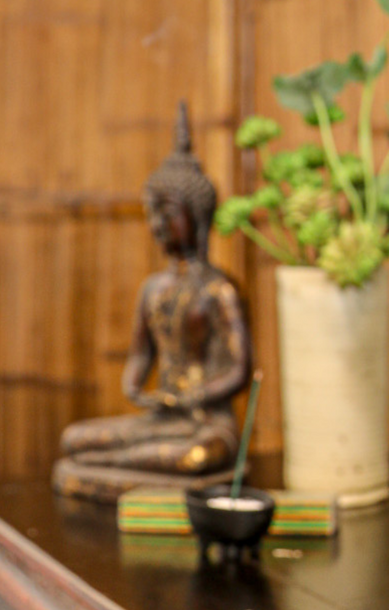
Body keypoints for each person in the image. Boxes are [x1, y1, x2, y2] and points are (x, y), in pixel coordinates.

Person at [53, 103, 252, 500]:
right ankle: (125, 461)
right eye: (152, 213)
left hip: (205, 422)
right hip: (162, 417)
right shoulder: (153, 288)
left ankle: (118, 464)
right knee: (74, 439)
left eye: (168, 213)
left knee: (195, 457)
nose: (158, 225)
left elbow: (240, 370)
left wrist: (196, 396)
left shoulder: (219, 290)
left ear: (197, 217)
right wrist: (134, 387)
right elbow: (141, 356)